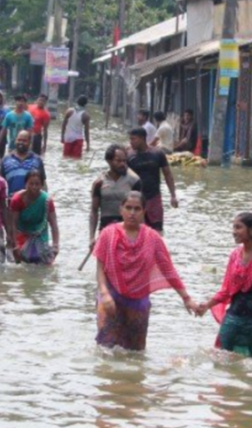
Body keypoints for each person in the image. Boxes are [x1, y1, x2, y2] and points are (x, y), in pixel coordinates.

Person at [93, 191, 196, 351]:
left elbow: (168, 270)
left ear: (144, 211)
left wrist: (186, 298)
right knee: (106, 348)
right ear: (121, 209)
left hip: (138, 301)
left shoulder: (153, 238)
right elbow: (100, 267)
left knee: (135, 352)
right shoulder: (108, 234)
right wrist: (104, 293)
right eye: (128, 208)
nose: (132, 213)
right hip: (111, 296)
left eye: (137, 209)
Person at [195, 213, 252, 360]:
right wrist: (206, 306)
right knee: (221, 359)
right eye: (233, 227)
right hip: (234, 316)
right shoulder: (235, 255)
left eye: (238, 227)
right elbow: (226, 290)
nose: (234, 231)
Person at [127, 127, 178, 233]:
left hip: (154, 198)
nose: (131, 142)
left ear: (142, 138)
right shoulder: (129, 156)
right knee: (138, 231)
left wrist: (173, 195)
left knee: (157, 230)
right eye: (130, 139)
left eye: (133, 139)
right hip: (137, 199)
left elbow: (168, 174)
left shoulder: (157, 154)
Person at [90, 144, 141, 247]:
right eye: (118, 161)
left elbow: (140, 209)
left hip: (128, 230)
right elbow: (94, 211)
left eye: (124, 161)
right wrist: (92, 237)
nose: (122, 164)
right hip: (105, 230)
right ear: (109, 161)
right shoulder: (99, 183)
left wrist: (141, 235)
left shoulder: (134, 180)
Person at [10, 170, 59, 265]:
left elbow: (54, 225)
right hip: (22, 235)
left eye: (37, 184)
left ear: (41, 185)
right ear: (25, 184)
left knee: (44, 263)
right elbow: (13, 225)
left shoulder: (47, 201)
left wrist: (55, 245)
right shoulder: (17, 200)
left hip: (40, 234)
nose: (34, 187)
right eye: (31, 184)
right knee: (22, 263)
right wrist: (15, 244)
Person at [0, 130, 46, 197]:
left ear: (30, 142)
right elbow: (0, 184)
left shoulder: (37, 160)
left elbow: (43, 184)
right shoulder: (5, 160)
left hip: (32, 203)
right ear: (15, 140)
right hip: (11, 202)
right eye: (19, 140)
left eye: (24, 141)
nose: (21, 142)